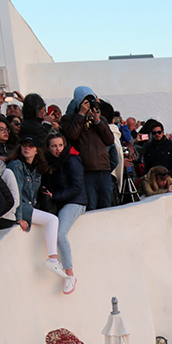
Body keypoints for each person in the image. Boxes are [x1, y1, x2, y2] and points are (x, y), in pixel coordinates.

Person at [7, 138, 63, 279]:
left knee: (52, 219)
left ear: (36, 150)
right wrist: (18, 217)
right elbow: (16, 191)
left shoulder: (37, 169)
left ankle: (53, 260)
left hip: (29, 205)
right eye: (24, 145)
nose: (27, 149)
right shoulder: (16, 166)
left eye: (31, 146)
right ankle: (52, 260)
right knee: (52, 220)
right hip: (21, 207)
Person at [60, 87, 114, 211]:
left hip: (104, 169)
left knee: (107, 207)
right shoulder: (69, 119)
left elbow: (110, 140)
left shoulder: (101, 119)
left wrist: (97, 121)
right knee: (92, 207)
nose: (89, 104)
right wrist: (81, 115)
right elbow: (72, 135)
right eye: (85, 101)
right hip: (87, 171)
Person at [42, 134, 84, 295]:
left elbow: (77, 186)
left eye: (60, 145)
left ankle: (70, 275)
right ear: (48, 148)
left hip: (75, 202)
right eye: (54, 146)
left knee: (60, 235)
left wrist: (55, 196)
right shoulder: (51, 163)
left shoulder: (72, 160)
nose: (58, 149)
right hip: (63, 202)